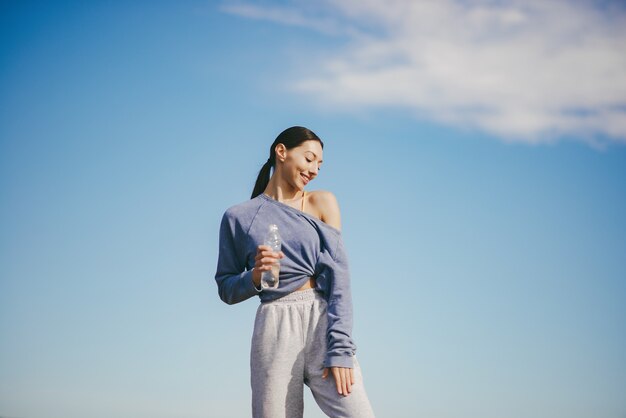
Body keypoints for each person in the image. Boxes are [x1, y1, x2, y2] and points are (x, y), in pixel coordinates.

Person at [214, 126, 375, 418]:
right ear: (281, 152)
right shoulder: (238, 217)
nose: (314, 170)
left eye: (319, 164)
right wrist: (253, 277)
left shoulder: (322, 202)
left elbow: (340, 279)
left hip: (321, 322)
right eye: (309, 159)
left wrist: (339, 347)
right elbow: (225, 287)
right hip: (274, 326)